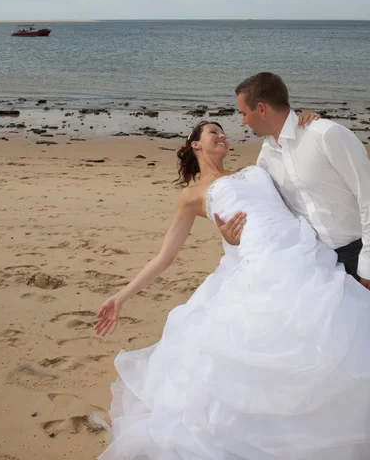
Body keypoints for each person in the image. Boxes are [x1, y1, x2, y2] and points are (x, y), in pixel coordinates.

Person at [94, 121, 370, 460]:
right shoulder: (192, 196)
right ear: (195, 144)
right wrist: (121, 296)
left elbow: (295, 184)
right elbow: (165, 257)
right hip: (260, 271)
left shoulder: (258, 168)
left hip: (305, 256)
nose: (223, 135)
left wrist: (307, 121)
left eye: (224, 131)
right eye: (213, 132)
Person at [217, 72, 370, 288]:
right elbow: (270, 214)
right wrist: (233, 237)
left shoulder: (325, 134)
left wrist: (368, 265)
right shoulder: (265, 158)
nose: (243, 121)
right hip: (316, 264)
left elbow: (367, 196)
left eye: (243, 113)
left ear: (261, 109)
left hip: (360, 252)